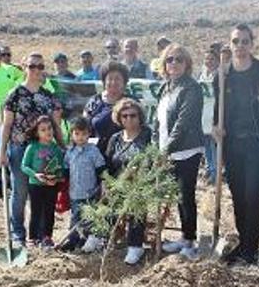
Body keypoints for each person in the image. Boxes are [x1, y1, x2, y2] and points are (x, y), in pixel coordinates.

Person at [212, 23, 259, 265]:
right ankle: (243, 242)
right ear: (230, 43)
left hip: (256, 144)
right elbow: (217, 109)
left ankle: (251, 249)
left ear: (252, 44)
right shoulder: (223, 74)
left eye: (245, 41)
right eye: (236, 41)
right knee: (237, 195)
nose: (240, 46)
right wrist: (216, 129)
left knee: (252, 194)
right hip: (232, 144)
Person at [0, 53, 56, 246]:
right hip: (19, 149)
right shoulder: (14, 94)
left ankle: (38, 234)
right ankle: (18, 234)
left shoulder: (48, 96)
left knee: (39, 194)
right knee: (20, 192)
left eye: (40, 66)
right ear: (24, 68)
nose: (36, 70)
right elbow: (6, 125)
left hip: (43, 151)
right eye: (32, 66)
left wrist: (62, 147)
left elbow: (55, 124)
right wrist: (1, 150)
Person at [156, 44, 205, 260]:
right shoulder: (166, 87)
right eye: (169, 60)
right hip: (168, 150)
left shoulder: (191, 88)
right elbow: (158, 122)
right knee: (177, 196)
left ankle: (190, 241)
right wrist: (157, 147)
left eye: (179, 60)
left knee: (186, 195)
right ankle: (184, 237)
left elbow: (183, 124)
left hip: (186, 150)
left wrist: (166, 150)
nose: (174, 63)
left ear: (187, 64)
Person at [105, 98, 152, 265]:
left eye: (133, 115)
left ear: (140, 116)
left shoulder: (148, 135)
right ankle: (103, 238)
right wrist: (108, 184)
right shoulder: (115, 139)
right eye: (124, 116)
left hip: (140, 183)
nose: (129, 119)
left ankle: (135, 245)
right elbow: (109, 166)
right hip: (118, 183)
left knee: (136, 201)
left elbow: (152, 161)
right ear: (119, 118)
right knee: (107, 200)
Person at [59, 117, 106, 253]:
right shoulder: (70, 152)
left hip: (90, 191)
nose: (80, 137)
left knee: (89, 218)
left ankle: (89, 241)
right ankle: (72, 240)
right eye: (77, 134)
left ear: (89, 134)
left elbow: (101, 169)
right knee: (75, 217)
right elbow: (66, 171)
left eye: (84, 134)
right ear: (72, 134)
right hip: (74, 192)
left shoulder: (93, 151)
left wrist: (103, 184)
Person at [21, 115, 64, 250]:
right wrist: (35, 175)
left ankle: (47, 237)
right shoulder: (32, 147)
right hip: (35, 185)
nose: (48, 132)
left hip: (51, 185)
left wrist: (56, 178)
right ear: (37, 132)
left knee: (49, 211)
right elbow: (24, 166)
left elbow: (60, 168)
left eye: (50, 128)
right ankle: (32, 238)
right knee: (36, 211)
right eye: (43, 130)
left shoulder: (56, 149)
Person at [84, 61, 130, 156]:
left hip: (122, 155)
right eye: (110, 78)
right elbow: (84, 127)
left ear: (124, 83)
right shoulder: (94, 101)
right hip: (96, 156)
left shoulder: (130, 103)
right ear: (104, 82)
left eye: (117, 79)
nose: (113, 82)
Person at [199, 43, 221, 183]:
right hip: (203, 115)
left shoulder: (220, 76)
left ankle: (215, 173)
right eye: (206, 59)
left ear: (217, 60)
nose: (209, 62)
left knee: (215, 145)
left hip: (215, 115)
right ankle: (210, 169)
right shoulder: (201, 75)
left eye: (211, 59)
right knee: (206, 144)